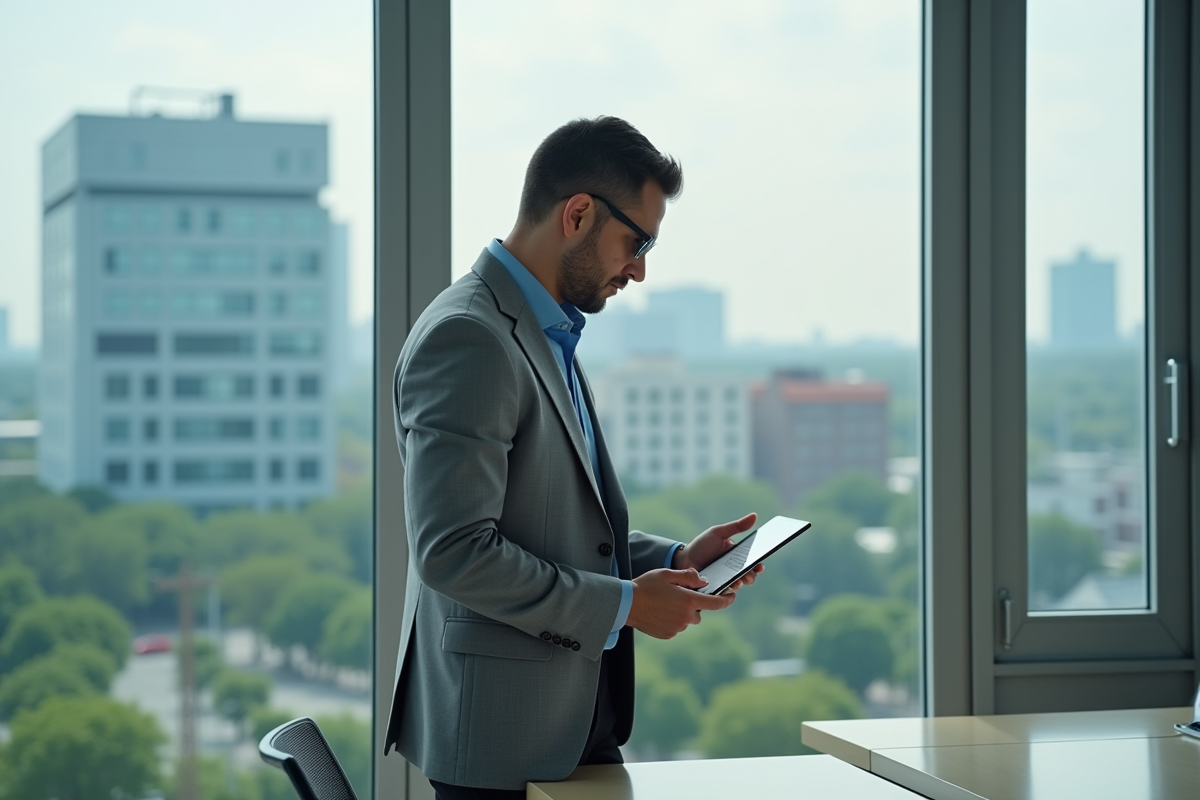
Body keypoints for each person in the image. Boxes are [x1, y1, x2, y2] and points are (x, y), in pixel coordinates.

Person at [383, 116, 761, 799]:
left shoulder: (544, 328)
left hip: (569, 725)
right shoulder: (470, 337)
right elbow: (453, 552)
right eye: (636, 241)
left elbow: (549, 524)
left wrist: (670, 564)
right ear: (578, 213)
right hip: (501, 743)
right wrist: (623, 606)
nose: (640, 269)